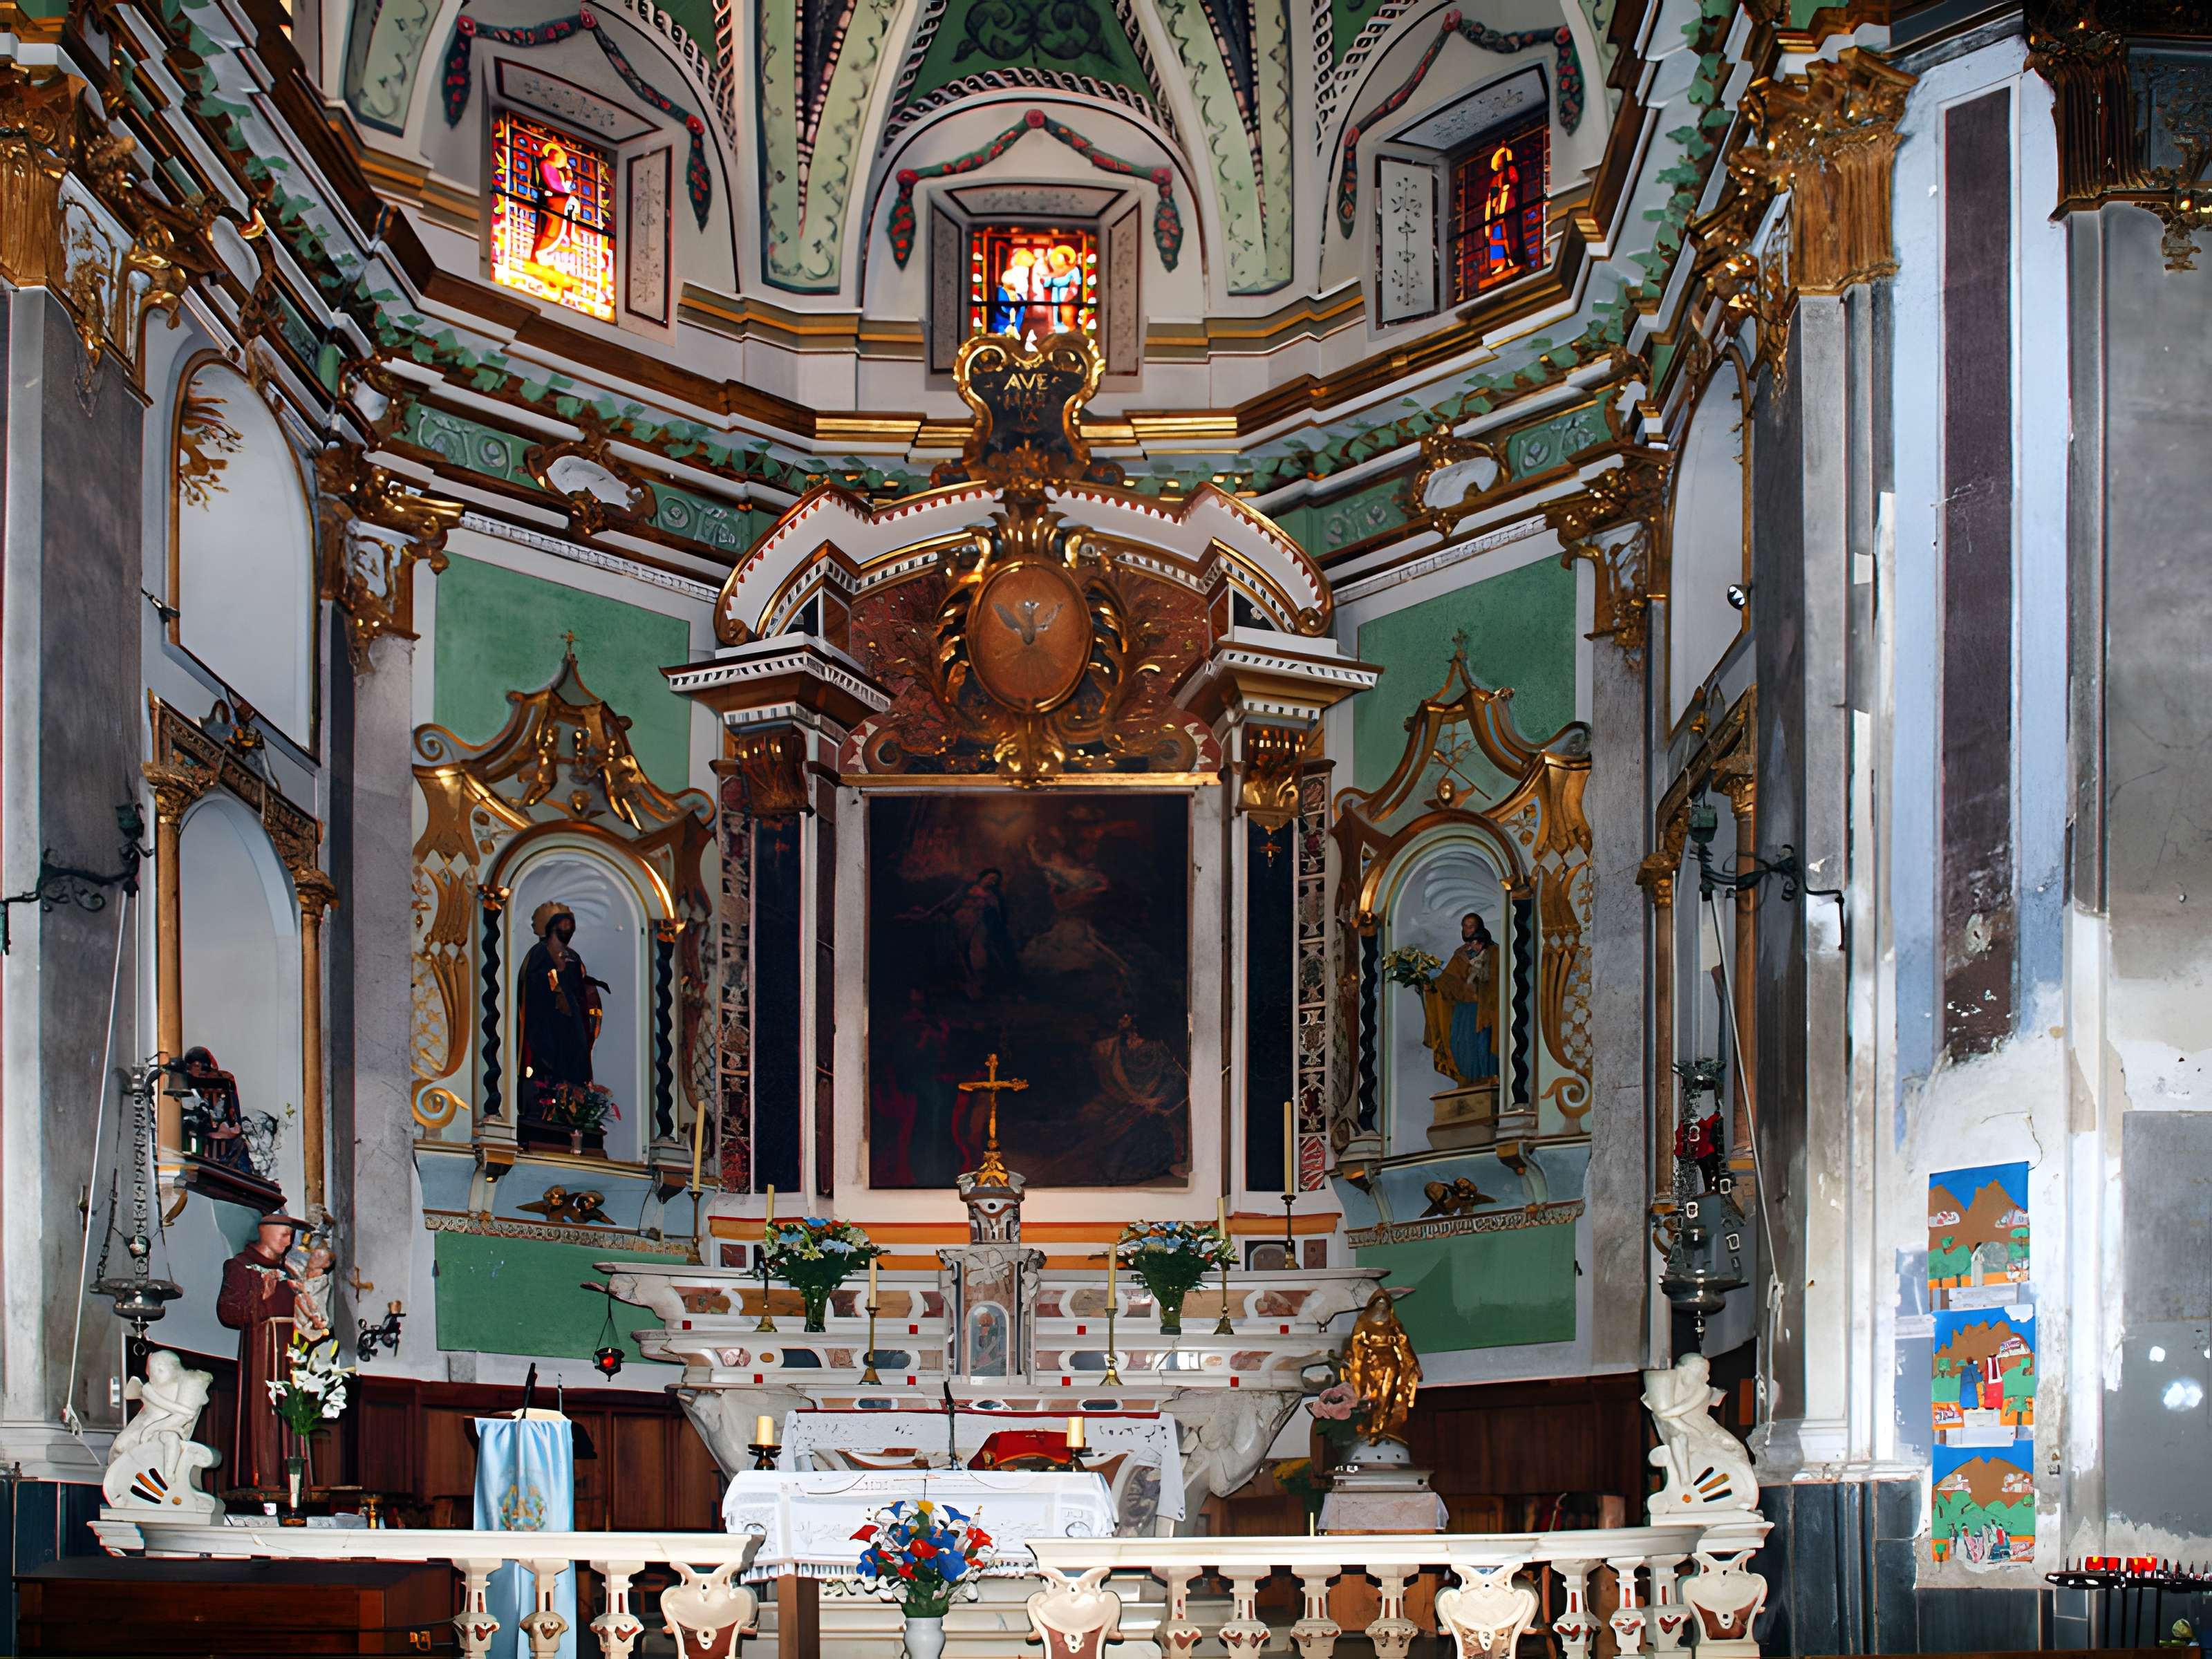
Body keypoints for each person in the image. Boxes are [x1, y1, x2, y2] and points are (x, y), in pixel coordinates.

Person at [216, 1212, 327, 1492]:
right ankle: (263, 1479)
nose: (289, 1239)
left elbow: (302, 1311)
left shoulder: (290, 1272)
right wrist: (260, 1298)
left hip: (291, 1354)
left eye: (291, 1234)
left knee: (293, 1415)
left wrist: (313, 1321)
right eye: (284, 1232)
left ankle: (295, 1483)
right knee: (265, 1414)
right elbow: (227, 1313)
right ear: (264, 1230)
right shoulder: (241, 1267)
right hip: (263, 1353)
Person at [518, 901, 607, 1116]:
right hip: (546, 1022)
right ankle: (545, 1099)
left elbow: (579, 991)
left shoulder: (573, 957)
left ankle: (573, 1099)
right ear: (551, 926)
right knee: (546, 1060)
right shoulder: (539, 953)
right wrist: (554, 980)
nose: (568, 929)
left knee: (575, 1061)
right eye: (564, 925)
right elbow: (533, 986)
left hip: (572, 1024)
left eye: (571, 925)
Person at [1419, 911, 1501, 1087]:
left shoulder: (1494, 952)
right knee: (1458, 1043)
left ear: (1479, 927)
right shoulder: (1460, 954)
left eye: (1471, 925)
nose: (1467, 929)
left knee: (1482, 1044)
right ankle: (1467, 1082)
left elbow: (1495, 981)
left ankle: (1487, 1078)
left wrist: (1478, 987)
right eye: (1464, 926)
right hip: (1463, 1010)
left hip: (1483, 1009)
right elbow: (1449, 980)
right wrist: (1431, 986)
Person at [532, 136, 577, 263]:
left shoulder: (557, 171)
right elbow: (552, 184)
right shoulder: (546, 165)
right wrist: (564, 191)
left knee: (560, 227)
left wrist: (568, 179)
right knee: (553, 227)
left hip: (560, 199)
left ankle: (545, 251)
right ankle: (541, 251)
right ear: (552, 155)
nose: (558, 159)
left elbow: (562, 187)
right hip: (552, 199)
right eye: (556, 155)